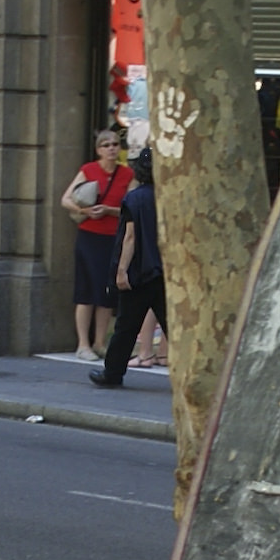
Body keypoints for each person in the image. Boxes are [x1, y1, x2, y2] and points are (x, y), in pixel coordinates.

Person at [91, 149, 164, 389]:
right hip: (164, 272)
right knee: (173, 327)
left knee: (125, 327)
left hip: (139, 273)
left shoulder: (134, 199)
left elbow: (130, 238)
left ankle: (112, 373)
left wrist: (121, 271)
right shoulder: (169, 197)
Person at [63, 127, 130, 358]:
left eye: (115, 144)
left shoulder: (127, 174)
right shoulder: (88, 170)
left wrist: (110, 210)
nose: (111, 148)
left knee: (106, 292)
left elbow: (132, 208)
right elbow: (66, 199)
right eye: (106, 145)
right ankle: (83, 344)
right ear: (98, 150)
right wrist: (85, 211)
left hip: (113, 237)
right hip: (89, 236)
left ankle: (100, 342)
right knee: (86, 291)